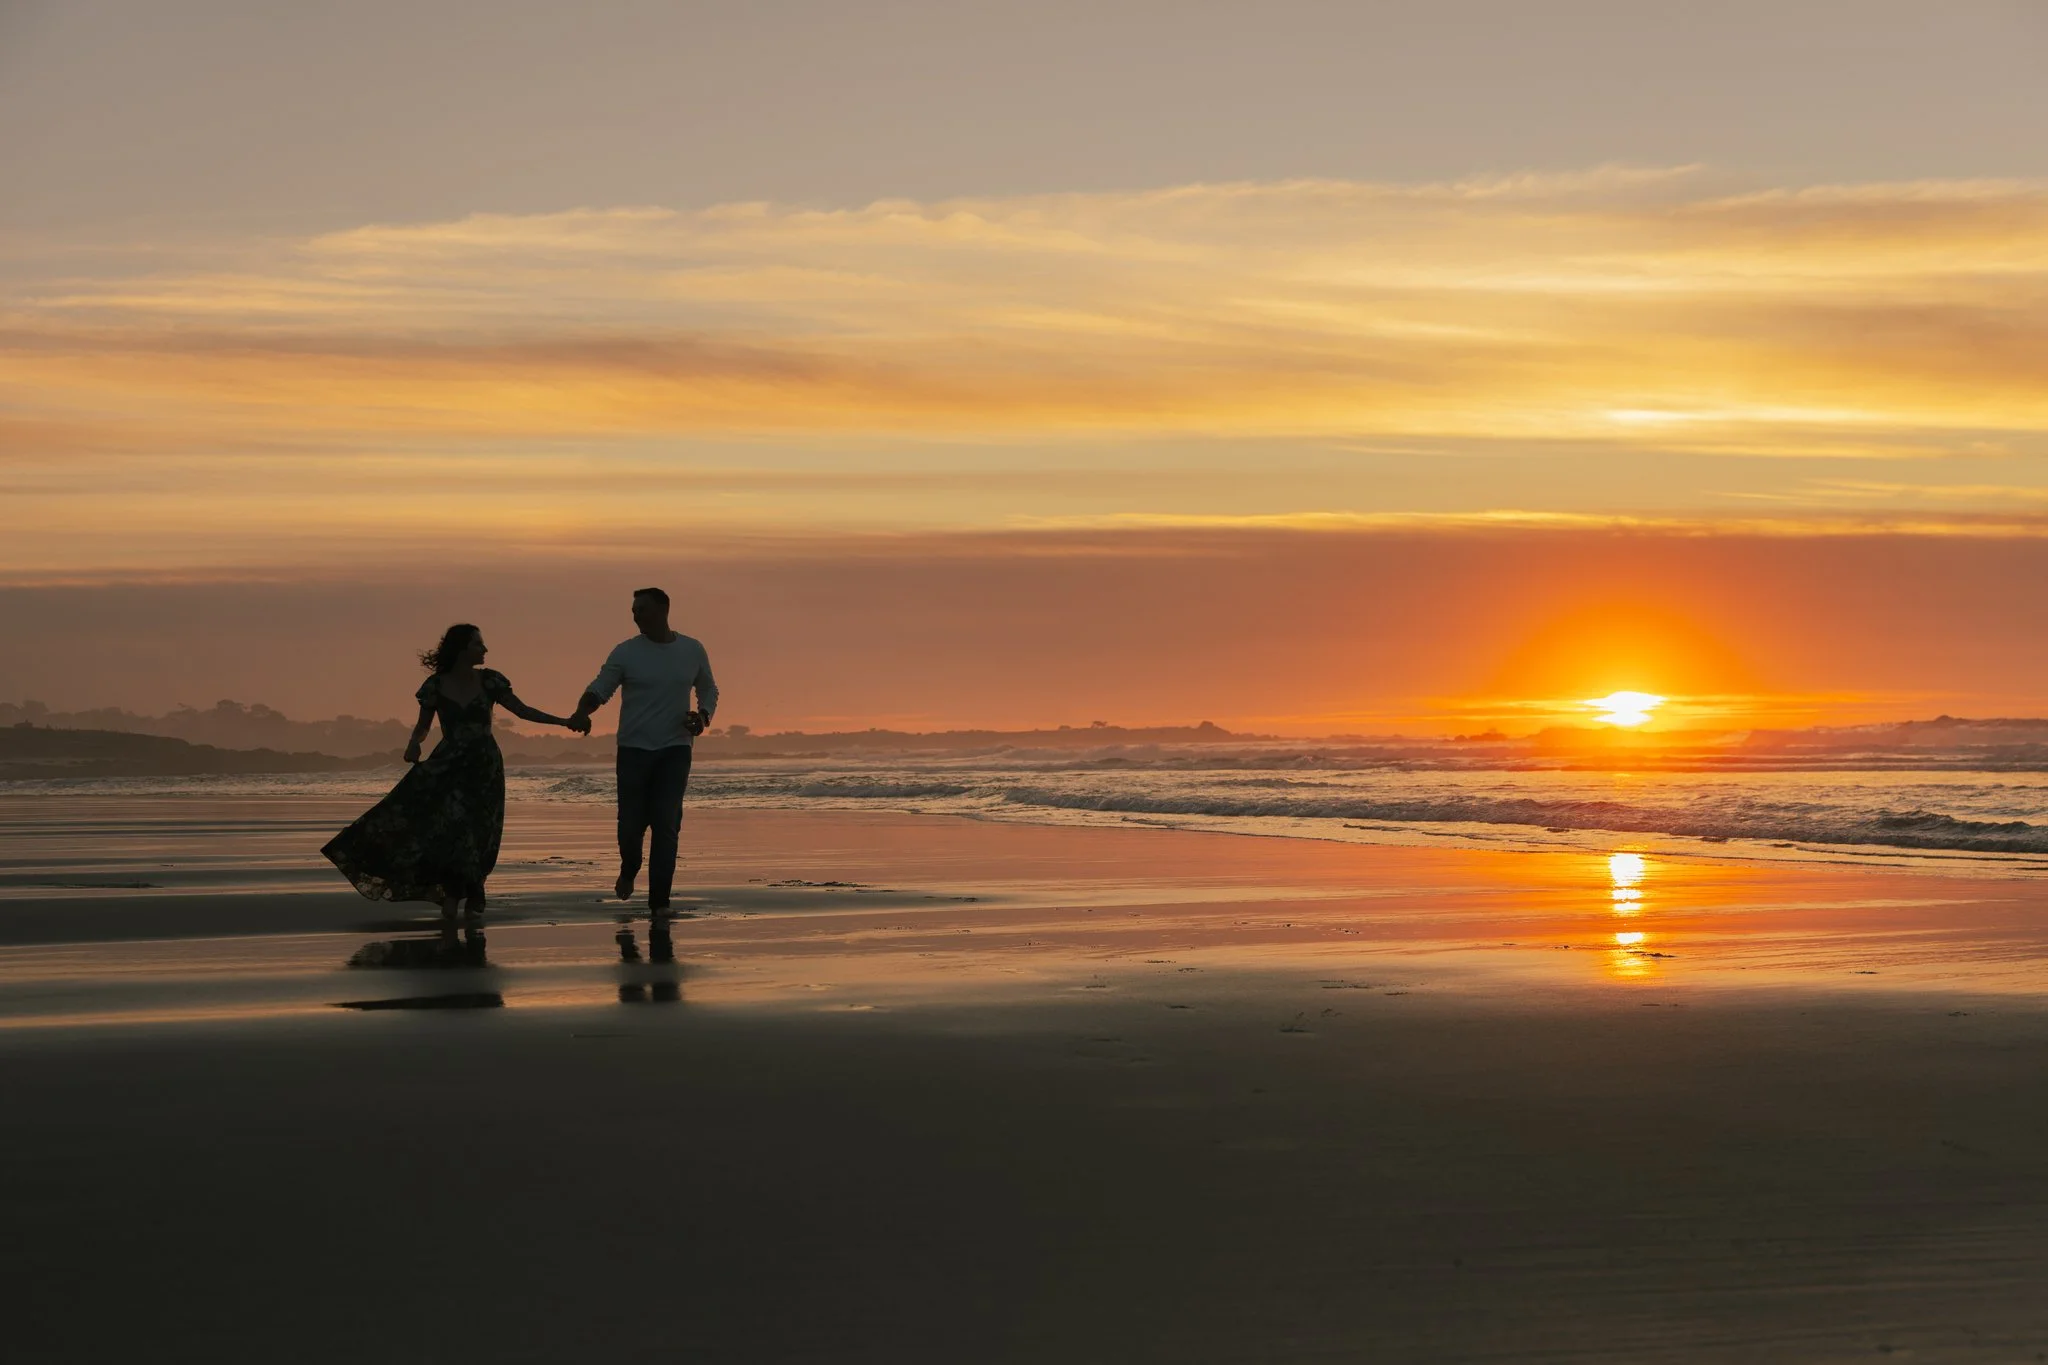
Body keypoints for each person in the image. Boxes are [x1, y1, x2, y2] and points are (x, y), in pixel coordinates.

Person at [322, 624, 588, 919]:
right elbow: (423, 727)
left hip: (484, 766)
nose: (484, 649)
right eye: (478, 644)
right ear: (461, 649)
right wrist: (414, 743)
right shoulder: (435, 686)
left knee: (482, 830)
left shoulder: (490, 681)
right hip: (448, 764)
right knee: (451, 829)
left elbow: (523, 711)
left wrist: (564, 722)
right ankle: (454, 894)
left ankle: (475, 886)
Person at [571, 588, 718, 917]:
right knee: (630, 827)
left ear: (663, 610)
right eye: (634, 611)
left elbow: (708, 687)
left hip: (675, 750)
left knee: (666, 825)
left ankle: (659, 904)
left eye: (642, 610)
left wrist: (703, 716)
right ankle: (629, 868)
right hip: (634, 750)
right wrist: (582, 711)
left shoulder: (692, 649)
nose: (636, 616)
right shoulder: (626, 652)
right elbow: (600, 688)